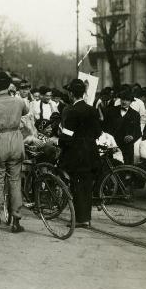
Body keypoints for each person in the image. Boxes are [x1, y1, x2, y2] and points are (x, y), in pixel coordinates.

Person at [0, 71, 30, 233]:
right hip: (16, 142)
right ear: (8, 85)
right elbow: (26, 111)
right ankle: (16, 220)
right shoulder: (18, 102)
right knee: (15, 181)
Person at [58, 79, 102, 228]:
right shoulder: (92, 110)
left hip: (76, 155)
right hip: (91, 153)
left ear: (71, 94)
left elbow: (66, 136)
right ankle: (86, 218)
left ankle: (79, 219)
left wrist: (60, 144)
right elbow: (98, 133)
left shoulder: (71, 111)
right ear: (83, 93)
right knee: (87, 186)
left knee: (77, 186)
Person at [103, 89, 141, 165]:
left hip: (127, 147)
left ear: (131, 102)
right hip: (112, 146)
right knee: (111, 169)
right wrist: (109, 143)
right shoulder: (111, 111)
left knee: (126, 170)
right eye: (123, 99)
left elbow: (138, 132)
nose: (124, 102)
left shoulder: (135, 114)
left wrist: (132, 137)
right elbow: (104, 128)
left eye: (127, 100)